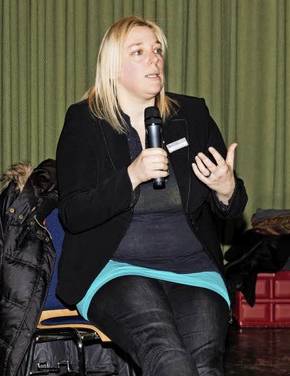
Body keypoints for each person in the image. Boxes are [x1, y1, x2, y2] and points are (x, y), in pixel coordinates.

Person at [55, 16, 248, 376]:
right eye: (139, 51)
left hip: (193, 269)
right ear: (113, 66)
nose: (154, 58)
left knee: (204, 365)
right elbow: (74, 213)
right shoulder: (85, 121)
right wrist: (132, 175)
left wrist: (227, 189)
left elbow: (233, 207)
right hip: (115, 269)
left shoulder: (191, 114)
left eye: (157, 50)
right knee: (167, 355)